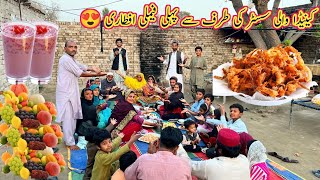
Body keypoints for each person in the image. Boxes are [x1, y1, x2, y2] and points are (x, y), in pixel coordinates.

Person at [56, 40, 106, 150]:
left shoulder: (71, 59)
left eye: (75, 47)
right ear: (65, 48)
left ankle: (70, 138)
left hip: (71, 91)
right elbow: (80, 73)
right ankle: (69, 142)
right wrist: (97, 74)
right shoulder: (65, 59)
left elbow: (81, 66)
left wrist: (92, 68)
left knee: (73, 116)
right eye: (70, 47)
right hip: (66, 93)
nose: (73, 49)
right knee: (68, 118)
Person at [125, 127, 192, 180]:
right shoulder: (185, 165)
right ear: (177, 148)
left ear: (157, 142)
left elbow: (128, 176)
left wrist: (149, 154)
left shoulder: (143, 159)